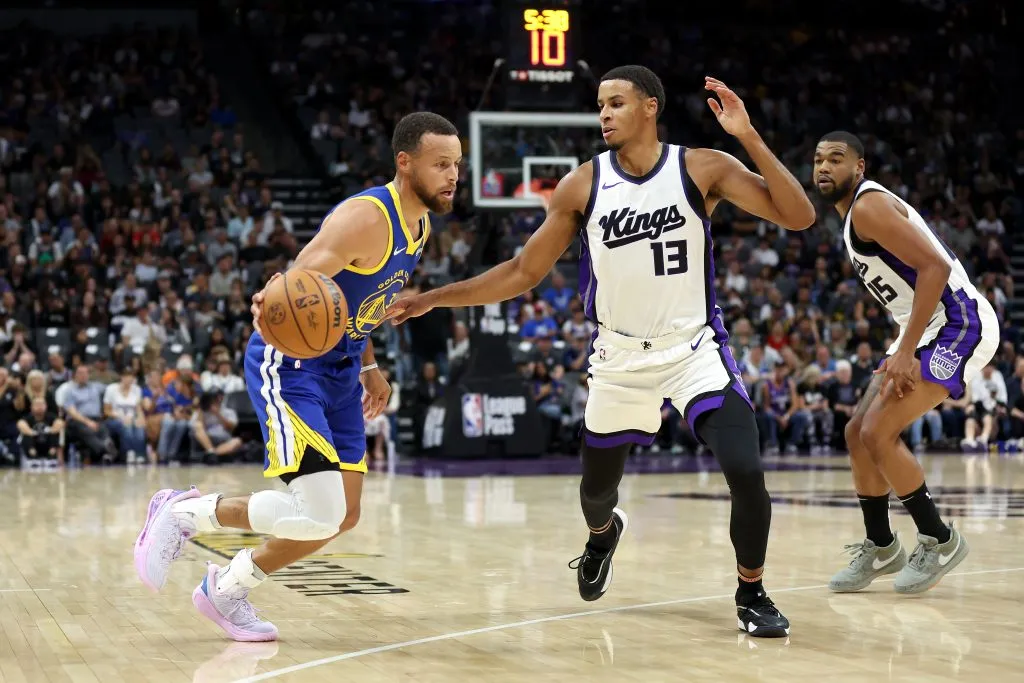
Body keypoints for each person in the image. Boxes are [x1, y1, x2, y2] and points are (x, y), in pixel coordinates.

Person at [387, 67, 816, 637]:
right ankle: (602, 535)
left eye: (616, 103)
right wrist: (433, 300)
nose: (604, 115)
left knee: (746, 471)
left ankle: (752, 591)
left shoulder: (702, 167)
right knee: (595, 495)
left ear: (650, 108)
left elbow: (800, 216)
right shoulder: (581, 186)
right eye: (600, 105)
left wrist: (748, 136)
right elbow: (522, 271)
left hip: (693, 351)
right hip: (617, 360)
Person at [134, 112, 461, 641]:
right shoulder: (367, 217)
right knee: (318, 511)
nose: (452, 175)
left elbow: (357, 303)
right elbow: (304, 281)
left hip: (342, 367)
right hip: (291, 364)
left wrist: (371, 366)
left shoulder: (420, 224)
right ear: (405, 163)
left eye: (456, 165)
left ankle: (224, 590)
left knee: (342, 516)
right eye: (441, 164)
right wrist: (271, 295)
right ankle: (183, 513)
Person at [812, 131, 1000, 594]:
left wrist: (904, 348)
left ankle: (939, 538)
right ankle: (881, 545)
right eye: (818, 160)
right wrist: (906, 342)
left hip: (960, 324)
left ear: (859, 168)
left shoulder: (868, 207)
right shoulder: (854, 214)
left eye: (836, 159)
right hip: (926, 328)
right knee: (857, 433)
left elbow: (934, 267)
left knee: (878, 431)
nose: (824, 168)